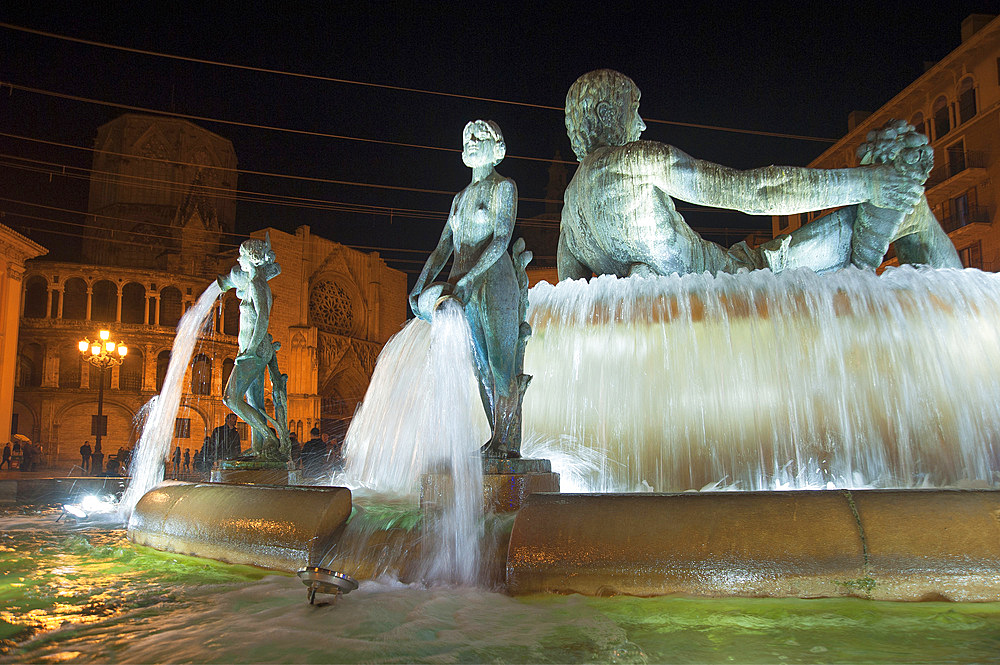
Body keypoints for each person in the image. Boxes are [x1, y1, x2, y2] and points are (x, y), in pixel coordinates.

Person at [557, 70, 960, 281]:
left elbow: (574, 295)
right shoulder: (635, 161)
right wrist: (867, 183)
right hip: (745, 280)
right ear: (609, 115)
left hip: (709, 291)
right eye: (635, 110)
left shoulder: (570, 210)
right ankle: (967, 346)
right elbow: (756, 192)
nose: (642, 125)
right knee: (911, 208)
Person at [409, 120, 533, 458]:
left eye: (479, 137)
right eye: (467, 137)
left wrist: (470, 278)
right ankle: (497, 437)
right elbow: (441, 249)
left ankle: (506, 443)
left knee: (500, 365)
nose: (471, 141)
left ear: (496, 148)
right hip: (460, 286)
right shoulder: (459, 198)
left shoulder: (503, 187)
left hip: (494, 280)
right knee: (479, 368)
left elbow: (501, 239)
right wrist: (418, 287)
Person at [216, 235, 291, 460]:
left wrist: (252, 349)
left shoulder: (257, 284)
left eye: (241, 255)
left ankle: (269, 437)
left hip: (254, 351)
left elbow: (263, 319)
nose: (238, 259)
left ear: (251, 258)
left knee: (230, 398)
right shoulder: (253, 283)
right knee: (255, 402)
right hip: (253, 350)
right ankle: (260, 450)